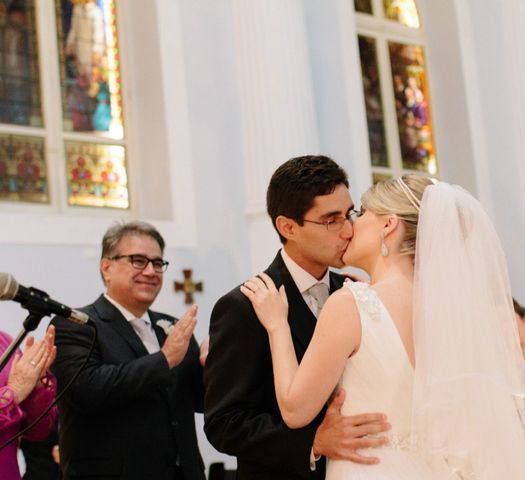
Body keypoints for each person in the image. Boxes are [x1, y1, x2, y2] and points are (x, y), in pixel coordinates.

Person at [242, 176, 525, 479]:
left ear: (388, 225)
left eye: (360, 214)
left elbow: (295, 411)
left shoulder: (351, 304)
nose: (349, 227)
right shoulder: (451, 309)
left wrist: (278, 326)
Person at [203, 155, 391, 480]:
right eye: (331, 220)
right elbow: (224, 424)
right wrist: (313, 442)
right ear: (288, 227)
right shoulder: (244, 305)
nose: (348, 231)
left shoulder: (356, 292)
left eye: (350, 215)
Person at [50, 221, 206, 480]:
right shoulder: (76, 325)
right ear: (107, 267)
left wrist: (210, 367)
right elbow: (86, 391)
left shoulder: (174, 327)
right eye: (138, 260)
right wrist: (164, 360)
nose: (151, 271)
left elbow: (198, 401)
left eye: (158, 263)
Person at [1, 326, 57, 480]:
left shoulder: (5, 342)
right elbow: (15, 392)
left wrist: (35, 388)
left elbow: (35, 431)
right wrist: (13, 392)